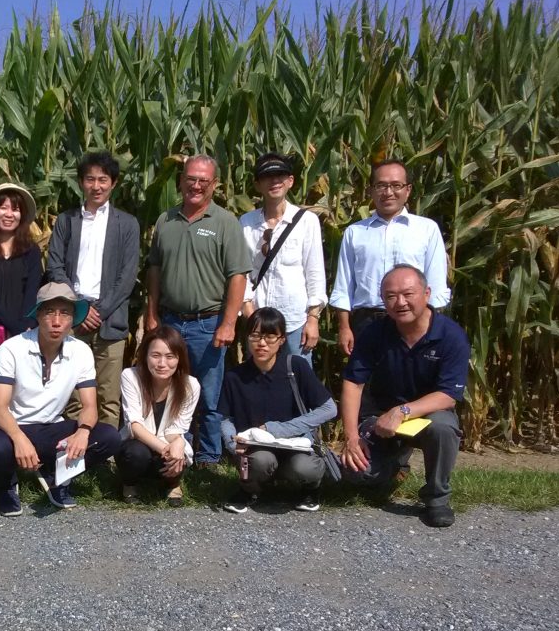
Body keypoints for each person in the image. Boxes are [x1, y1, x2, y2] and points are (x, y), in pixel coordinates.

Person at [340, 265, 469, 528]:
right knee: (352, 473)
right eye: (390, 296)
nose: (400, 303)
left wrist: (402, 412)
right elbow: (353, 383)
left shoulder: (450, 335)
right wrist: (352, 438)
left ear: (427, 293)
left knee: (444, 428)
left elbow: (448, 395)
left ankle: (436, 499)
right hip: (379, 418)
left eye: (408, 294)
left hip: (427, 416)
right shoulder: (375, 333)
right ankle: (395, 467)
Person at [145, 155, 252, 467]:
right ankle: (170, 453)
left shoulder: (225, 223)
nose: (195, 185)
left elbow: (238, 276)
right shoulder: (166, 221)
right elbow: (154, 269)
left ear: (214, 185)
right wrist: (151, 314)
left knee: (208, 396)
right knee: (169, 392)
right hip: (171, 321)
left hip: (208, 323)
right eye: (190, 178)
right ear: (181, 181)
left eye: (203, 180)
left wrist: (229, 323)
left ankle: (207, 457)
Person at [0, 282, 122, 515]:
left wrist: (83, 431)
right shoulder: (12, 348)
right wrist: (19, 438)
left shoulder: (80, 351)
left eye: (65, 313)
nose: (57, 321)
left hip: (50, 427)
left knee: (109, 437)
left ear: (73, 319)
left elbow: (89, 406)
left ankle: (59, 478)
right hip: (11, 427)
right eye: (49, 312)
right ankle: (7, 485)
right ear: (38, 315)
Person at [47, 151, 140, 427]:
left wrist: (97, 311)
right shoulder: (67, 221)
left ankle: (106, 451)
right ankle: (77, 451)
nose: (96, 186)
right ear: (81, 182)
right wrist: (79, 308)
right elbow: (55, 267)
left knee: (107, 393)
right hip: (72, 316)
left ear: (113, 183)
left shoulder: (127, 224)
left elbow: (127, 276)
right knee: (73, 391)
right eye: (90, 179)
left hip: (110, 319)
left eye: (103, 180)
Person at [218, 307, 337, 514]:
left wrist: (279, 429)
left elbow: (329, 409)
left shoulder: (295, 367)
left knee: (303, 468)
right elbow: (225, 418)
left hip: (296, 445)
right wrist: (231, 441)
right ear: (246, 337)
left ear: (282, 339)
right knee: (260, 461)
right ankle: (250, 490)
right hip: (257, 449)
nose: (262, 343)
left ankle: (309, 488)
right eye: (255, 335)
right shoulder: (235, 376)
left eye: (270, 336)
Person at [330, 159, 451, 356]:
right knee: (368, 385)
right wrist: (344, 328)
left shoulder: (426, 229)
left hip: (414, 320)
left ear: (408, 190)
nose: (388, 192)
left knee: (412, 385)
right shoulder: (355, 232)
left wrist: (430, 328)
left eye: (396, 185)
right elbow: (343, 287)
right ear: (371, 190)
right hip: (367, 323)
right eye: (381, 186)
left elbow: (436, 286)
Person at [239, 152, 327, 363]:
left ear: (290, 181)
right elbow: (241, 272)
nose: (274, 181)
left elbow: (314, 272)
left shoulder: (307, 221)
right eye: (267, 177)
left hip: (295, 319)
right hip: (258, 320)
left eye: (280, 175)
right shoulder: (246, 222)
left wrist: (313, 319)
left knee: (297, 380)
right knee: (260, 382)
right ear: (257, 185)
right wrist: (250, 313)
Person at [0, 182, 43, 430]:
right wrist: (12, 325)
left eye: (15, 209)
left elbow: (33, 291)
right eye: (3, 208)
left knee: (21, 393)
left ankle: (22, 448)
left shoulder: (31, 252)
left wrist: (25, 326)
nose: (9, 214)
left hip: (25, 333)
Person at [117, 325, 199, 507]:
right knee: (135, 454)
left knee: (181, 454)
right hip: (137, 442)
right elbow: (135, 425)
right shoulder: (130, 376)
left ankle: (172, 483)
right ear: (145, 356)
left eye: (170, 356)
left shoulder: (190, 385)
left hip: (168, 441)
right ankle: (129, 483)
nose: (162, 364)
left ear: (179, 359)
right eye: (156, 356)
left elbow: (178, 428)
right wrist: (166, 449)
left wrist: (177, 445)